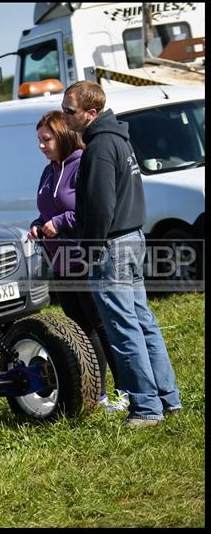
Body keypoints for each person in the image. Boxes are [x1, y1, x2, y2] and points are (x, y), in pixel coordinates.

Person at [62, 80, 181, 429]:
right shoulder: (118, 139)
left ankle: (146, 408)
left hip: (111, 245)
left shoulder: (99, 147)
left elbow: (100, 205)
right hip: (132, 238)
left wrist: (90, 249)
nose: (65, 116)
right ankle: (167, 398)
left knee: (123, 329)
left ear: (91, 113)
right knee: (143, 322)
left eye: (70, 111)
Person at [27, 110, 126, 412]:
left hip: (85, 256)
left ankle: (126, 391)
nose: (41, 146)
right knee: (80, 329)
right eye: (39, 141)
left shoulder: (83, 163)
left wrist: (59, 222)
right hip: (60, 261)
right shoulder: (49, 170)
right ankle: (98, 392)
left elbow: (88, 208)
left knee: (101, 325)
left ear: (64, 136)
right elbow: (48, 211)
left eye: (47, 140)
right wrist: (38, 223)